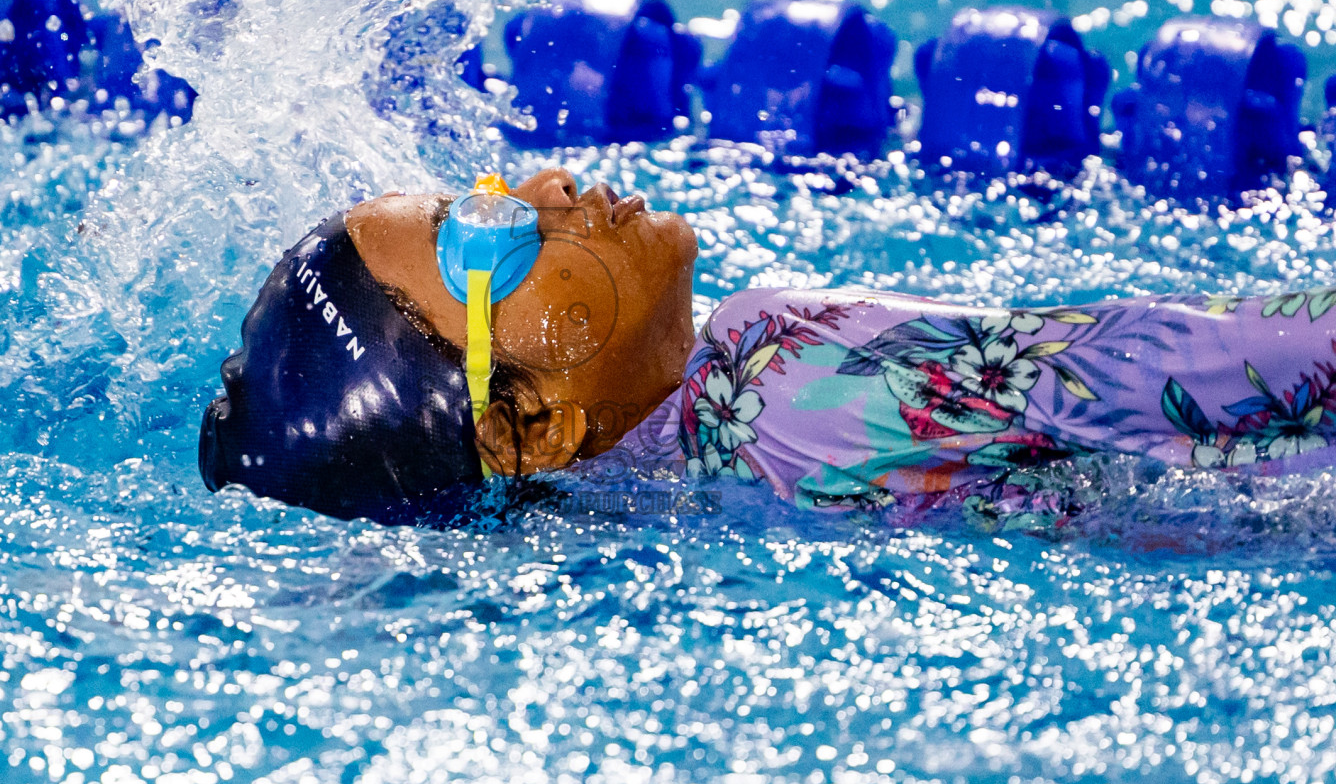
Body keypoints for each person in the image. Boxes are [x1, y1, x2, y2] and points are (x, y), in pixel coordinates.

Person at [199, 167, 1336, 526]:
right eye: (486, 237)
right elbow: (1165, 361)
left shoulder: (676, 491)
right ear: (531, 425)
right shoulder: (774, 370)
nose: (546, 188)